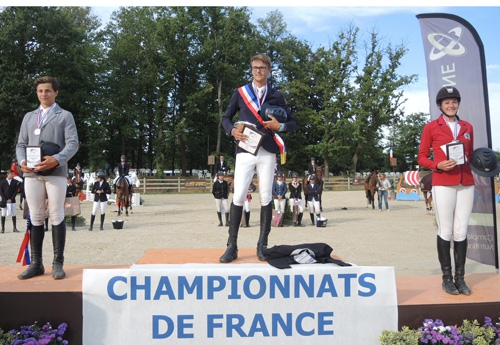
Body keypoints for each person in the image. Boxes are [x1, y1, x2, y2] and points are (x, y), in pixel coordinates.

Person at [220, 53, 297, 263]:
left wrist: (279, 126)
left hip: (267, 151)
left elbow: (293, 123)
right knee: (238, 196)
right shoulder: (240, 93)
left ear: (269, 70)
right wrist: (231, 132)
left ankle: (262, 245)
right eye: (254, 67)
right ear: (251, 69)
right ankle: (231, 246)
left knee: (265, 196)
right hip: (245, 149)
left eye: (262, 68)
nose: (258, 71)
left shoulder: (277, 95)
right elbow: (226, 118)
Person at [16, 76, 79, 280]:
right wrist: (21, 162)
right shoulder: (28, 117)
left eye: (48, 91)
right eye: (40, 91)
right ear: (37, 93)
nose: (44, 94)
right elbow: (20, 144)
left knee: (56, 213)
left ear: (56, 93)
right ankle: (36, 263)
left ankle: (58, 262)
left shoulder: (65, 116)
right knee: (35, 215)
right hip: (31, 173)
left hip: (55, 173)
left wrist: (56, 159)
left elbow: (72, 144)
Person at [417, 86, 474, 296]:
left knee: (462, 230)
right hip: (443, 182)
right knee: (446, 230)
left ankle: (460, 278)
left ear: (458, 104)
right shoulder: (431, 127)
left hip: (466, 181)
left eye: (454, 102)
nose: (451, 105)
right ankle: (447, 279)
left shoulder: (468, 126)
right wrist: (436, 166)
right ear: (440, 105)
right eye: (447, 102)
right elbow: (422, 156)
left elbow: (471, 153)